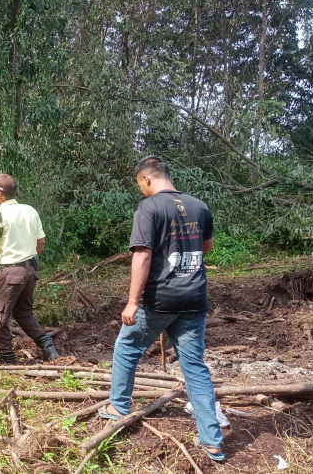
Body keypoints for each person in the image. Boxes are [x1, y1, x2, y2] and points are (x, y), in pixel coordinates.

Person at [99, 156, 224, 462]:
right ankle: (212, 441)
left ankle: (118, 406)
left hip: (159, 300)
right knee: (194, 366)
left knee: (127, 347)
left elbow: (142, 256)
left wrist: (132, 302)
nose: (141, 189)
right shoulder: (199, 206)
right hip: (194, 300)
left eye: (140, 184)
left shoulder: (149, 208)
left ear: (147, 180)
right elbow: (205, 249)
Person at [0, 174, 60, 364]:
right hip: (31, 270)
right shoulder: (30, 211)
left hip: (11, 273)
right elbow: (41, 241)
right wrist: (30, 259)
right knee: (23, 313)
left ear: (0, 194)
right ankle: (48, 345)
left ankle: (7, 361)